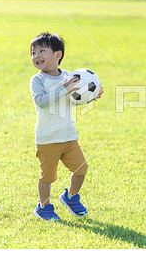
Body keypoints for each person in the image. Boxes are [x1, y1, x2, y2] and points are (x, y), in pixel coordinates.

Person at [29, 32, 102, 221]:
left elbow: (72, 101)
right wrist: (64, 89)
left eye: (41, 50)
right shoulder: (37, 80)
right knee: (47, 177)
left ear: (57, 55)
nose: (36, 56)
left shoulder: (70, 76)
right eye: (33, 52)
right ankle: (44, 207)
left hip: (68, 136)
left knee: (81, 169)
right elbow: (42, 102)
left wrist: (89, 97)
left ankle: (70, 197)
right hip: (48, 139)